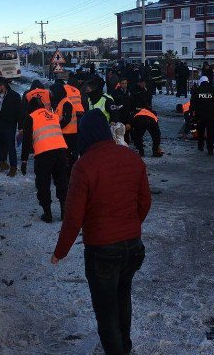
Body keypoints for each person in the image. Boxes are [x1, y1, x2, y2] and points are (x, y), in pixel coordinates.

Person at [51, 109, 151, 355]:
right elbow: (145, 201)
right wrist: (131, 225)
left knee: (106, 310)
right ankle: (125, 346)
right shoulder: (131, 157)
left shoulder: (83, 166)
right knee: (122, 296)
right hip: (132, 247)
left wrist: (60, 252)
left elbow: (73, 218)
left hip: (103, 250)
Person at [20, 98, 70, 222]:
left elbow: (26, 141)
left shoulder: (30, 118)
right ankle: (64, 210)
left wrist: (24, 160)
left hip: (44, 154)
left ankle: (47, 213)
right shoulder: (53, 116)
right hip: (61, 151)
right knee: (62, 181)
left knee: (43, 184)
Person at [0, 77, 22, 177]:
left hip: (9, 125)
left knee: (11, 146)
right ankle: (2, 162)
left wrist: (20, 127)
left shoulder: (14, 96)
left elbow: (20, 112)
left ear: (3, 86)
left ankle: (13, 167)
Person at [189, 75, 214, 155]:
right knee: (210, 132)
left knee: (200, 131)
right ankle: (210, 148)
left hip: (200, 114)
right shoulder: (213, 90)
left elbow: (192, 103)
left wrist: (191, 113)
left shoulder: (197, 90)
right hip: (211, 115)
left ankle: (200, 146)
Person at [51, 82, 79, 172]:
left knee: (68, 156)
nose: (52, 95)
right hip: (64, 133)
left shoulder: (66, 103)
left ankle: (68, 173)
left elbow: (67, 118)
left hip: (69, 134)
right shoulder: (61, 102)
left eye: (53, 92)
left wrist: (58, 127)